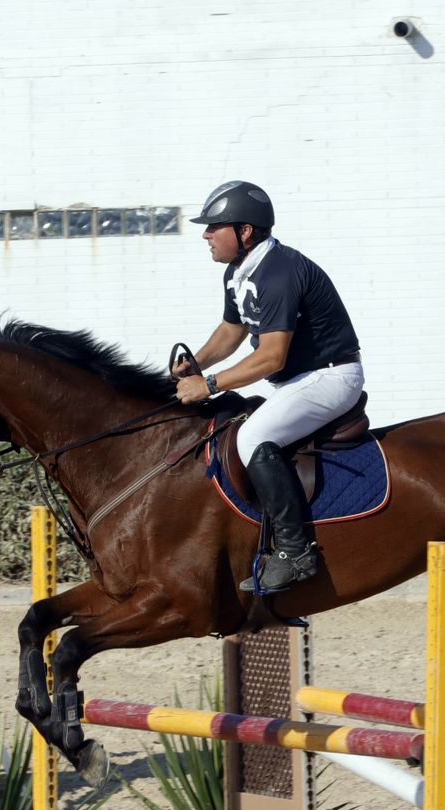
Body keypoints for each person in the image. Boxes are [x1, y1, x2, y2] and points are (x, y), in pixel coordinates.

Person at [173, 180, 365, 593]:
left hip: (331, 377)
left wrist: (207, 384)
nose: (205, 234)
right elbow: (231, 331)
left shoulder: (279, 271)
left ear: (245, 232)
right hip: (300, 380)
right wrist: (197, 364)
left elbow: (270, 357)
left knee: (253, 436)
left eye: (214, 226)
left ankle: (296, 553)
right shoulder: (239, 271)